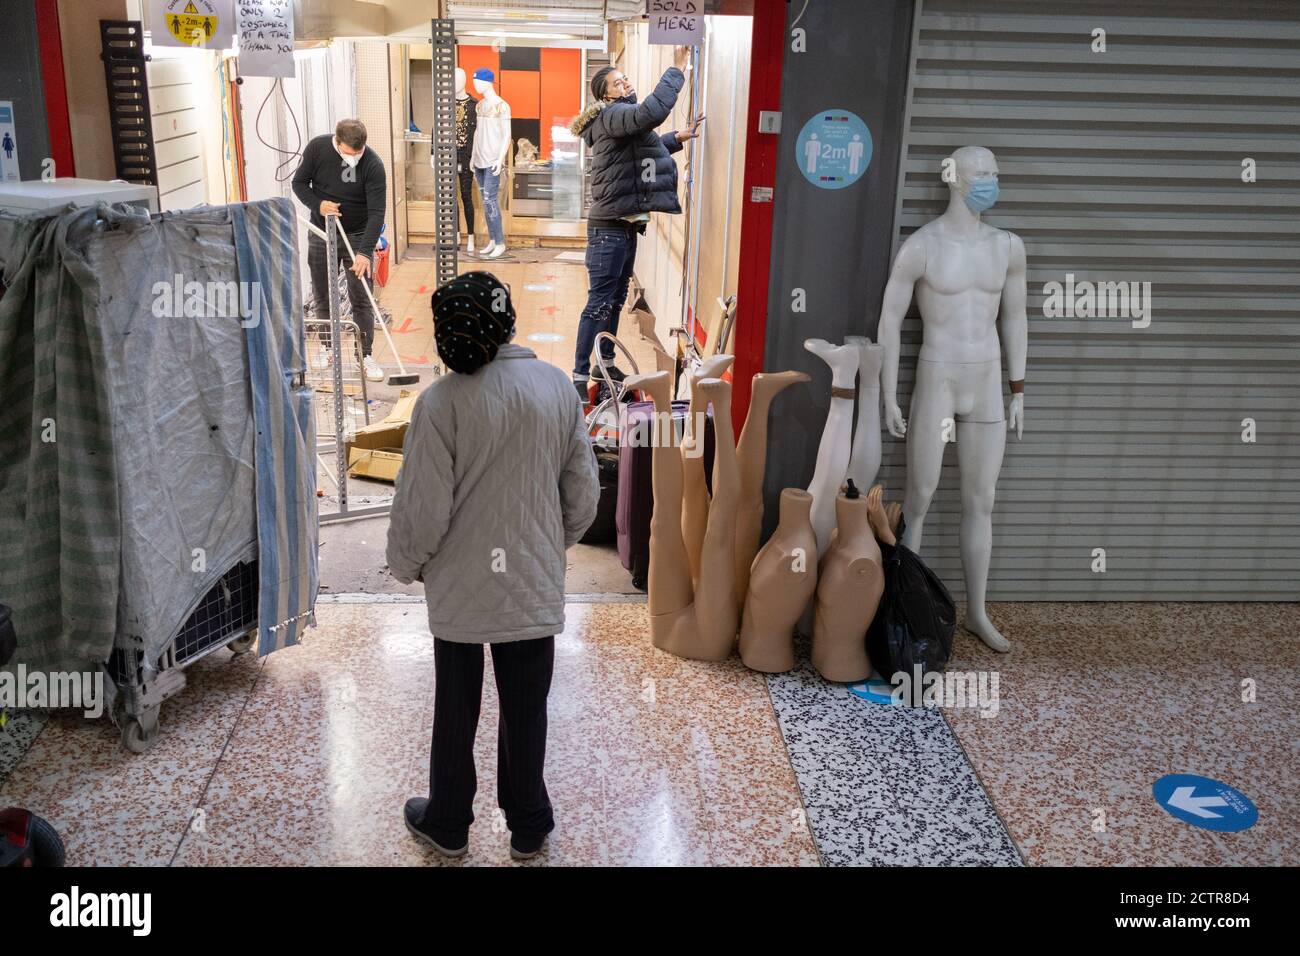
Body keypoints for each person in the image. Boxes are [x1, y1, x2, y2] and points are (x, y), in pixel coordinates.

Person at [387, 271, 599, 861]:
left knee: (456, 706)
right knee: (526, 706)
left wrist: (405, 564)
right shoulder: (555, 386)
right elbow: (582, 491)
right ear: (507, 320)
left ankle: (448, 820)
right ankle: (529, 823)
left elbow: (422, 506)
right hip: (531, 580)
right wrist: (552, 545)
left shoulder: (441, 403)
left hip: (459, 588)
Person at [568, 45, 705, 400]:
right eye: (618, 81)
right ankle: (580, 376)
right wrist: (677, 69)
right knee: (599, 301)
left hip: (625, 227)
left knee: (614, 300)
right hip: (608, 229)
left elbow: (639, 149)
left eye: (625, 78)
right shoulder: (613, 114)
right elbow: (649, 114)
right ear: (605, 94)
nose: (625, 83)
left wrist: (676, 139)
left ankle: (605, 361)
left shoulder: (617, 119)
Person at [292, 118, 387, 383]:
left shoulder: (373, 164)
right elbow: (299, 184)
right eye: (350, 152)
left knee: (362, 296)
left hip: (357, 235)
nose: (355, 157)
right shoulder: (317, 149)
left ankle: (365, 356)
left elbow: (377, 212)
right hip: (323, 232)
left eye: (359, 152)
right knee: (322, 292)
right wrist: (318, 205)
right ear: (337, 142)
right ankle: (327, 348)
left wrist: (365, 252)